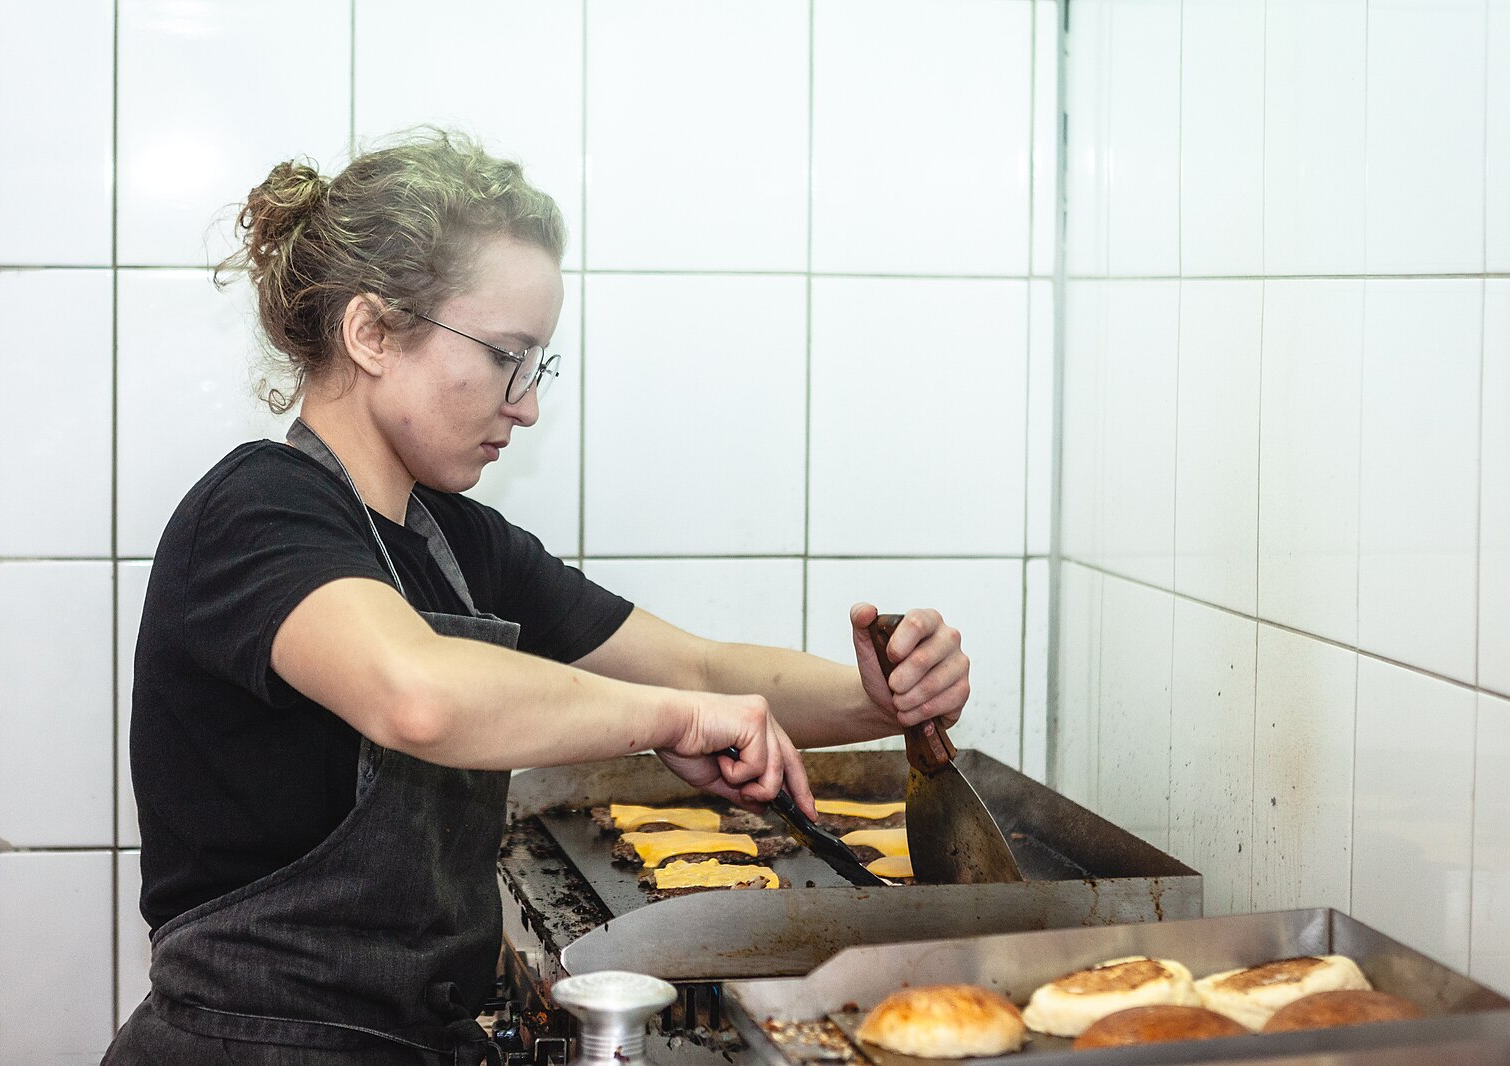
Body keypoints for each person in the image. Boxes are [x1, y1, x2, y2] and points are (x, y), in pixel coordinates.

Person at [103, 128, 971, 1065]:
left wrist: (878, 701)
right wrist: (671, 721)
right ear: (372, 332)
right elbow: (419, 694)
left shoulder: (462, 544)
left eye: (536, 365)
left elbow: (696, 669)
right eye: (505, 355)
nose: (525, 403)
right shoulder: (256, 511)